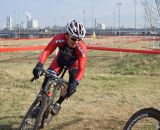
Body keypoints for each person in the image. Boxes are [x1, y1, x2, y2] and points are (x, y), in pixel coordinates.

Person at [32, 20, 87, 115]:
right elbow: (46, 52)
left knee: (71, 86)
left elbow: (81, 70)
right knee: (47, 80)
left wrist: (75, 83)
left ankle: (58, 103)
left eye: (79, 39)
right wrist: (39, 65)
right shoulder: (59, 38)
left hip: (74, 64)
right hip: (59, 61)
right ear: (67, 35)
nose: (76, 42)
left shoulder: (81, 47)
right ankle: (41, 105)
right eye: (74, 39)